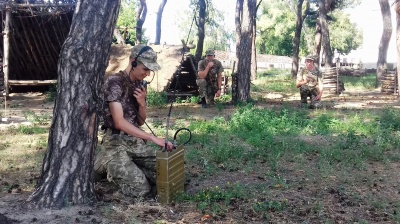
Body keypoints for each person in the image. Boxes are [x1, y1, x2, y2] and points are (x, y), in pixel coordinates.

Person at [94, 44, 173, 198]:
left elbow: (140, 121)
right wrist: (152, 138)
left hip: (134, 142)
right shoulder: (114, 82)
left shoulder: (140, 84)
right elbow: (119, 122)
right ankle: (105, 163)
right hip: (116, 142)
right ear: (133, 61)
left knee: (167, 174)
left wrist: (142, 103)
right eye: (145, 69)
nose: (148, 74)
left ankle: (121, 166)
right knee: (141, 190)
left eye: (150, 70)